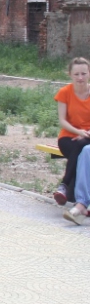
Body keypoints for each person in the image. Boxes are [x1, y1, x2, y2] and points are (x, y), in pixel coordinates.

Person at [53, 57, 90, 206]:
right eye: (76, 74)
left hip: (88, 136)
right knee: (80, 148)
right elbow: (62, 121)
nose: (80, 78)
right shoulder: (65, 92)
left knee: (83, 146)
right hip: (68, 136)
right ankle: (78, 197)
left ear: (89, 73)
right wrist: (79, 132)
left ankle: (65, 186)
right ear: (70, 75)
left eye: (84, 73)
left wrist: (86, 133)